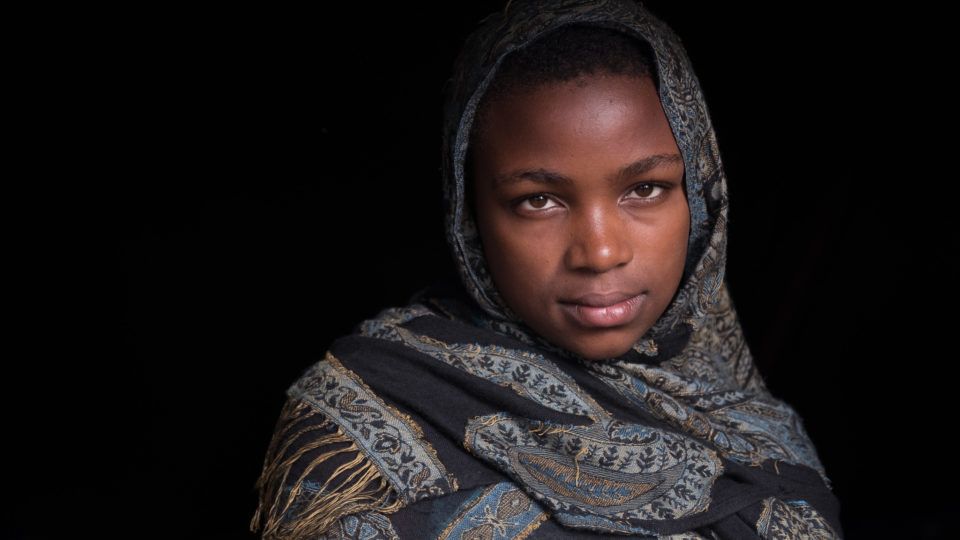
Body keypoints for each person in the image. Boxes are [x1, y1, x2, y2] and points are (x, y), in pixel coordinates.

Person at [250, 0, 843, 538]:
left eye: (646, 188)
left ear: (702, 195)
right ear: (470, 214)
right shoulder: (358, 420)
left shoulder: (753, 422)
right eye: (539, 200)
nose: (601, 251)